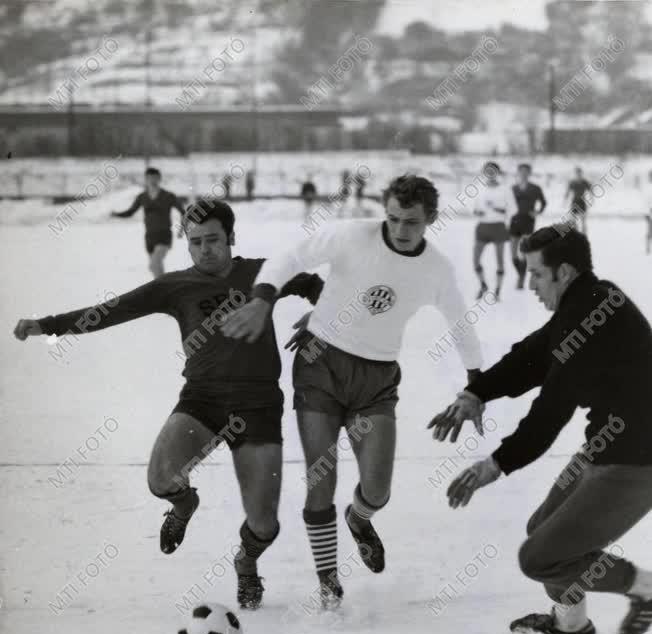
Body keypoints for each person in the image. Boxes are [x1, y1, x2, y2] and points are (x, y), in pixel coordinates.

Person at [14, 199, 323, 610]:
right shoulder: (174, 286)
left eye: (213, 240)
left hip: (258, 406)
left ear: (231, 237)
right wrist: (46, 326)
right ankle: (183, 503)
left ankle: (246, 563)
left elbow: (317, 286)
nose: (204, 250)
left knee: (265, 525)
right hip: (203, 400)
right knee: (161, 479)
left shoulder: (262, 274)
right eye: (195, 243)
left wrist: (323, 321)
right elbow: (111, 310)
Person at [221, 174, 483, 609]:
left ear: (430, 220)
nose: (400, 230)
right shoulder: (349, 235)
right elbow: (291, 256)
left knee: (378, 489)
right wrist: (263, 298)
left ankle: (359, 520)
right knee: (321, 480)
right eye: (394, 218)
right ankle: (328, 581)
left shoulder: (437, 269)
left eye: (411, 223)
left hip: (376, 380)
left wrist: (476, 384)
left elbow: (461, 324)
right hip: (320, 365)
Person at [430, 226, 652, 634]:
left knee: (539, 558)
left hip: (636, 460)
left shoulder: (589, 315)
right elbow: (529, 357)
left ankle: (646, 588)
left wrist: (495, 465)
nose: (530, 285)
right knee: (544, 531)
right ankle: (571, 624)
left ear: (563, 272)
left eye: (535, 274)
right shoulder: (589, 302)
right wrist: (476, 393)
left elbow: (550, 413)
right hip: (607, 447)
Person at [111, 167, 185, 279]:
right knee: (155, 268)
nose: (152, 180)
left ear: (159, 179)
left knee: (154, 264)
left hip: (164, 236)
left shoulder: (169, 196)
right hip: (149, 237)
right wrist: (116, 214)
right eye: (149, 178)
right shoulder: (142, 197)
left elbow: (183, 212)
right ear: (145, 179)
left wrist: (181, 229)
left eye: (155, 178)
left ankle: (162, 290)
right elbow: (130, 212)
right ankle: (164, 290)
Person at [472, 162, 511, 301]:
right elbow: (475, 209)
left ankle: (498, 291)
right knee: (475, 260)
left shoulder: (505, 190)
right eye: (487, 171)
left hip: (498, 227)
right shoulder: (480, 189)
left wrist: (497, 209)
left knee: (499, 260)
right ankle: (483, 285)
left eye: (493, 171)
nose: (490, 174)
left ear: (497, 172)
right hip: (483, 227)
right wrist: (478, 212)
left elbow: (512, 210)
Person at [509, 163, 546, 289]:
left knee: (524, 252)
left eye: (526, 172)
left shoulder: (535, 188)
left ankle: (521, 278)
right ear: (518, 173)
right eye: (521, 172)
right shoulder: (513, 188)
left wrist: (537, 212)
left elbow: (544, 203)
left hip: (528, 222)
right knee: (513, 255)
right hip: (514, 222)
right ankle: (520, 273)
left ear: (529, 173)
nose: (523, 174)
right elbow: (507, 204)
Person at [565, 167, 592, 234]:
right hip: (574, 201)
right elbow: (568, 191)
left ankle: (584, 234)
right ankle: (576, 233)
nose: (578, 174)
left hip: (582, 202)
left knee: (583, 220)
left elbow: (591, 190)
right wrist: (565, 200)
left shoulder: (585, 182)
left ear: (581, 173)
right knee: (573, 220)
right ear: (575, 173)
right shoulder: (572, 182)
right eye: (577, 173)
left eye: (579, 173)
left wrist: (592, 198)